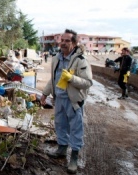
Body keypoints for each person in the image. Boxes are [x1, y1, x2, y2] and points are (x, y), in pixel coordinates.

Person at [40, 29, 93, 174]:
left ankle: (74, 156)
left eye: (67, 41)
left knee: (75, 128)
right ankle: (62, 149)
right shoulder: (57, 58)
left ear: (74, 43)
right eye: (62, 40)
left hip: (73, 101)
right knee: (60, 124)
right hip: (59, 99)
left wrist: (71, 78)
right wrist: (44, 94)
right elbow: (53, 79)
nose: (62, 43)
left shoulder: (80, 60)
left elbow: (88, 82)